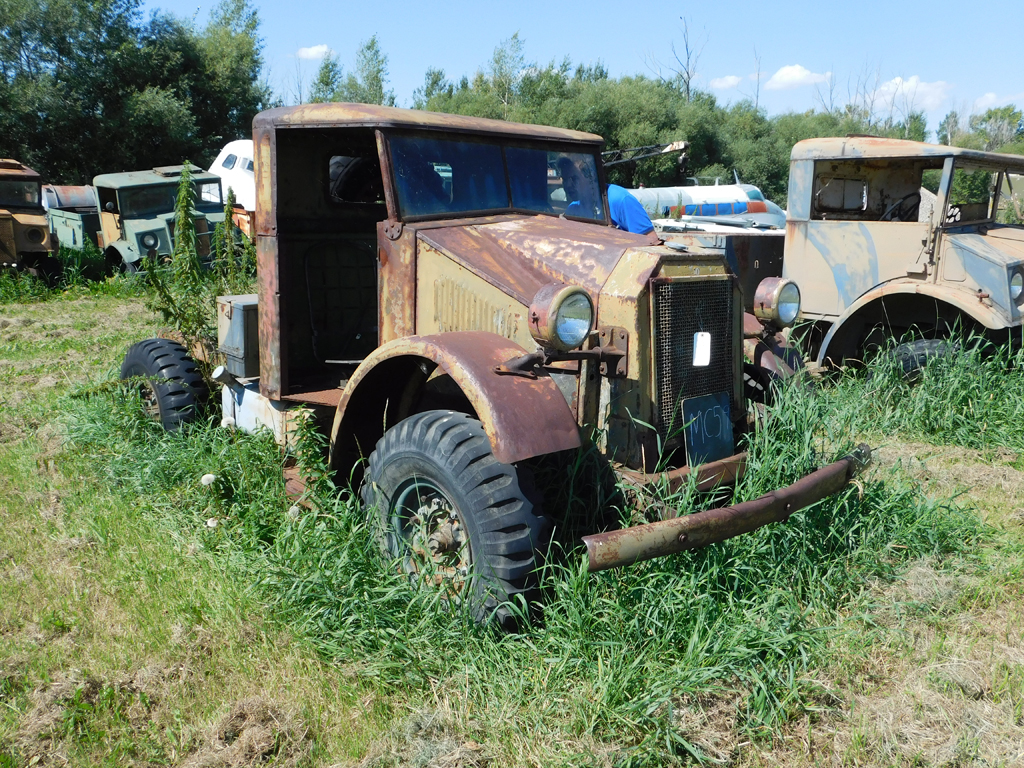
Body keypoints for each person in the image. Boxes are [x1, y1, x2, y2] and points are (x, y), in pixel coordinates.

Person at [556, 155, 654, 235]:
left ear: (592, 177)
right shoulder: (573, 209)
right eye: (565, 179)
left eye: (574, 179)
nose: (568, 185)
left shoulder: (619, 200)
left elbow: (650, 242)